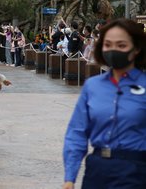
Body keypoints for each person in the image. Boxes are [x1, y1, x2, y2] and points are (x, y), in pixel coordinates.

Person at [62, 18, 146, 189]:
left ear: (136, 48)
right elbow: (77, 133)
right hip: (97, 170)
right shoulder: (92, 86)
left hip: (136, 171)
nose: (113, 50)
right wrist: (70, 178)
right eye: (108, 44)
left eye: (121, 45)